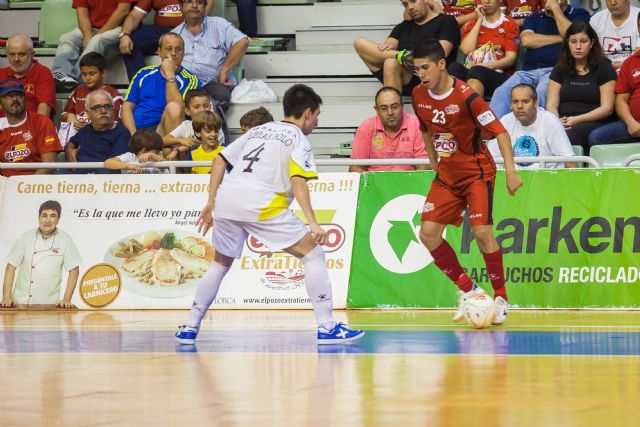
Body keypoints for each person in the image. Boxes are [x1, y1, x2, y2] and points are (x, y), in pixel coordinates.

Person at [174, 84, 365, 345]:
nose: (317, 123)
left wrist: (211, 201)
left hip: (228, 200)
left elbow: (220, 159)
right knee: (313, 253)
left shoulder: (259, 130)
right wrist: (312, 222)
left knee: (220, 263)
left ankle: (190, 327)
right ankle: (327, 326)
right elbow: (298, 181)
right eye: (317, 115)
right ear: (307, 113)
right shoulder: (299, 139)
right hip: (262, 203)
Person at [411, 41, 522, 325]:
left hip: (477, 173)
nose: (421, 74)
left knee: (483, 233)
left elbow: (501, 133)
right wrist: (432, 157)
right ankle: (470, 290)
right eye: (416, 69)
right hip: (447, 177)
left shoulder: (468, 97)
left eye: (425, 68)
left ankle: (501, 297)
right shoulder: (417, 94)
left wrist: (510, 172)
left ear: (441, 64)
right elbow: (425, 128)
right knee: (428, 234)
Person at [489, 0, 590, 118]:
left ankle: (532, 134)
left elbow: (575, 37)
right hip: (526, 72)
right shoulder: (535, 17)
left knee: (540, 93)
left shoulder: (580, 14)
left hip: (556, 70)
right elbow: (526, 41)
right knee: (501, 92)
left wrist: (556, 10)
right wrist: (562, 38)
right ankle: (496, 135)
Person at [353, 0, 460, 95]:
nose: (410, 7)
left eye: (413, 1)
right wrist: (394, 51)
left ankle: (402, 57)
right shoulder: (402, 27)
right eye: (405, 4)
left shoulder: (446, 21)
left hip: (428, 76)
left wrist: (412, 58)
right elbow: (388, 45)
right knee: (359, 42)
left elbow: (440, 54)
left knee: (391, 62)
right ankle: (402, 56)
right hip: (403, 75)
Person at [546, 22, 617, 151]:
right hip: (564, 120)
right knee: (550, 133)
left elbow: (607, 108)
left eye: (583, 41)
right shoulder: (559, 69)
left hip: (594, 120)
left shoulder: (604, 68)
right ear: (567, 43)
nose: (578, 46)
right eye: (573, 41)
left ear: (592, 43)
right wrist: (556, 121)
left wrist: (576, 120)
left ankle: (575, 170)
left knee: (570, 135)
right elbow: (551, 105)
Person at [1, 201, 82, 308]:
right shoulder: (26, 237)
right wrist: (7, 296)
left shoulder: (65, 240)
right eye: (44, 215)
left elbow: (74, 270)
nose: (47, 220)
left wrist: (67, 299)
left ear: (58, 219)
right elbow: (11, 266)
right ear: (39, 217)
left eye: (53, 216)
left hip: (49, 304)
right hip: (20, 302)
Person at [172, 0, 249, 107]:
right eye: (189, 2)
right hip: (185, 84)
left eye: (199, 2)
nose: (194, 6)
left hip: (211, 84)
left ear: (205, 6)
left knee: (221, 96)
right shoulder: (175, 34)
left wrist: (224, 70)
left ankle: (210, 122)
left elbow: (242, 41)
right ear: (181, 6)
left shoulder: (219, 25)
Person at [122, 33, 200, 136]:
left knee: (174, 107)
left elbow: (177, 111)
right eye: (169, 48)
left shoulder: (191, 80)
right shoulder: (143, 74)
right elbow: (127, 107)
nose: (173, 53)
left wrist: (169, 74)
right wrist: (133, 135)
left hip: (165, 132)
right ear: (159, 51)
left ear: (183, 53)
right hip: (137, 131)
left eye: (178, 49)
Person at [118, 0, 214, 80]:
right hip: (160, 31)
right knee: (132, 40)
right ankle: (142, 87)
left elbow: (203, 13)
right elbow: (134, 15)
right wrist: (124, 34)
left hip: (187, 28)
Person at [488, 83, 577, 168]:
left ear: (535, 103)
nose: (519, 106)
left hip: (548, 179)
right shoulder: (504, 122)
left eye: (525, 101)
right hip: (515, 181)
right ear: (511, 105)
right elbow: (491, 160)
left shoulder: (550, 121)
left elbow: (569, 161)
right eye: (515, 102)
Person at [52, 0, 133, 91]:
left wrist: (98, 34)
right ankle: (60, 74)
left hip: (120, 28)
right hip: (92, 27)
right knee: (67, 38)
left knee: (96, 41)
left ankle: (76, 80)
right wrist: (87, 35)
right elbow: (82, 12)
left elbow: (123, 10)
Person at [448, 0, 520, 98]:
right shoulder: (472, 24)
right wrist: (479, 20)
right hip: (473, 69)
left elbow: (510, 59)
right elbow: (466, 50)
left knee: (477, 71)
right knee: (454, 68)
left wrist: (485, 66)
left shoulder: (509, 24)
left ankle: (474, 111)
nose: (487, 1)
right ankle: (452, 109)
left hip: (498, 74)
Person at [350, 86, 428, 172]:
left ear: (402, 106)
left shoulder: (417, 125)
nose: (390, 113)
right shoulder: (366, 127)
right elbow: (356, 168)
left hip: (408, 183)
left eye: (395, 107)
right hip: (375, 183)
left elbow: (424, 166)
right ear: (377, 110)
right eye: (384, 108)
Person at [0, 79, 62, 177]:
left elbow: (49, 165)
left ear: (25, 98)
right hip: (6, 185)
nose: (15, 99)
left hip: (36, 185)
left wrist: (26, 185)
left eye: (19, 95)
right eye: (9, 96)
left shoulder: (41, 122)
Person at [65, 90, 130, 174]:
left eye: (107, 106)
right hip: (78, 177)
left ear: (113, 109)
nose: (103, 111)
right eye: (97, 107)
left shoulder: (122, 133)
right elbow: (71, 143)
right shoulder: (85, 129)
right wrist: (69, 150)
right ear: (88, 113)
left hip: (102, 179)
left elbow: (115, 167)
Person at [587, 45, 640, 146]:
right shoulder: (630, 62)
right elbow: (621, 100)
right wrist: (630, 122)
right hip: (635, 124)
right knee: (596, 137)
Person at [61, 52, 123, 130]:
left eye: (92, 74)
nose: (87, 78)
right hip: (78, 137)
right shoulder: (78, 92)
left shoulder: (113, 95)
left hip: (103, 139)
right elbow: (63, 115)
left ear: (103, 72)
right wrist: (69, 116)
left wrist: (90, 127)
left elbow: (115, 124)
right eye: (84, 74)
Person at [0, 34, 56, 118]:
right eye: (12, 54)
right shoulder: (1, 73)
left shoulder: (43, 73)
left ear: (32, 55)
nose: (16, 59)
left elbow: (43, 115)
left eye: (21, 54)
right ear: (7, 54)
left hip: (31, 128)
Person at [590, 0, 640, 71]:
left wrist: (622, 66)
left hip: (634, 70)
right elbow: (593, 52)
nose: (613, 3)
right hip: (604, 71)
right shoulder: (596, 20)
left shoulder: (638, 17)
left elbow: (638, 55)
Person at [104, 129, 172, 173]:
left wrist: (153, 155)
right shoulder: (130, 157)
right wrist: (128, 166)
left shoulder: (156, 160)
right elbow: (107, 163)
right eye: (156, 152)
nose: (159, 154)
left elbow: (168, 164)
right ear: (144, 151)